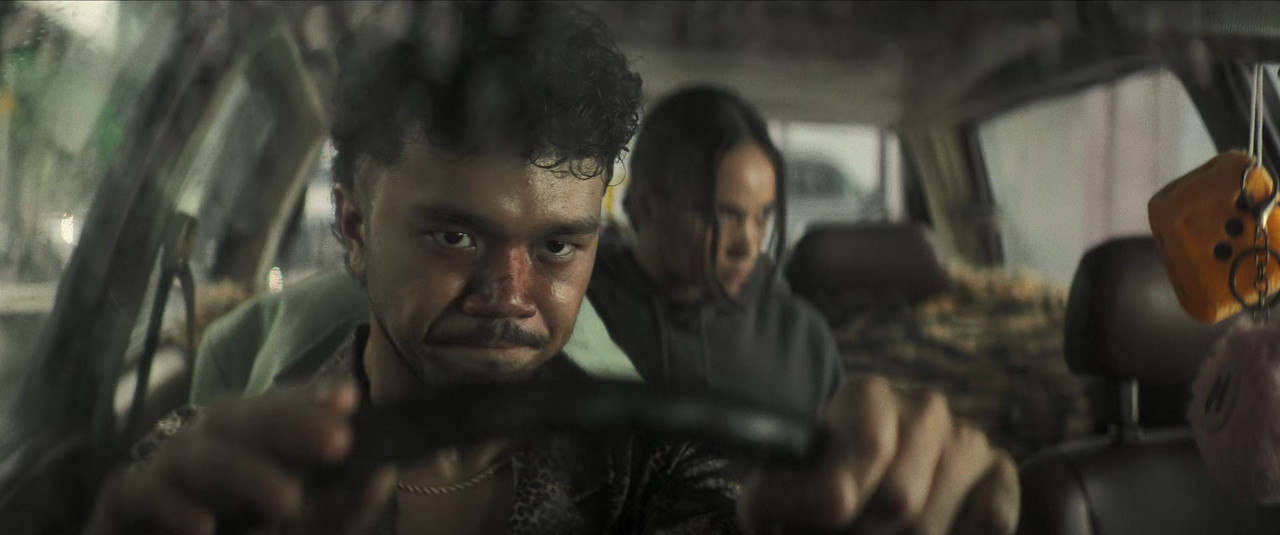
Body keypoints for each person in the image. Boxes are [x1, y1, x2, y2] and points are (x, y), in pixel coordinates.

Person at [85, 4, 1018, 535]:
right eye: (455, 239)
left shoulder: (653, 469)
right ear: (356, 227)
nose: (510, 296)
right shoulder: (219, 468)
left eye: (558, 247)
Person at [590, 87, 842, 417]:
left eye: (763, 215)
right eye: (722, 214)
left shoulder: (799, 340)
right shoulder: (577, 314)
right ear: (645, 205)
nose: (748, 246)